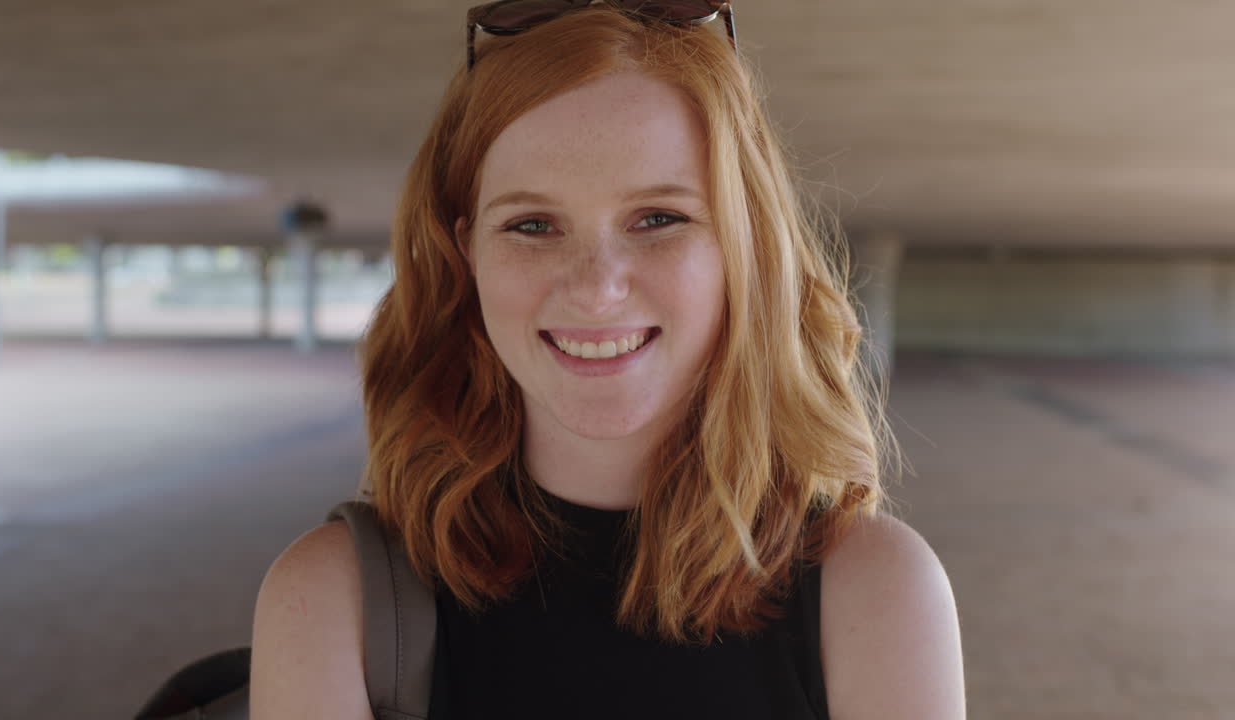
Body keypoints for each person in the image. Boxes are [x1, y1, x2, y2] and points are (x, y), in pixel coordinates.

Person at [251, 2, 965, 718]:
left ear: (746, 246)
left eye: (659, 219)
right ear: (466, 254)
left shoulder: (876, 592)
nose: (596, 289)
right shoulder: (331, 603)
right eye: (532, 225)